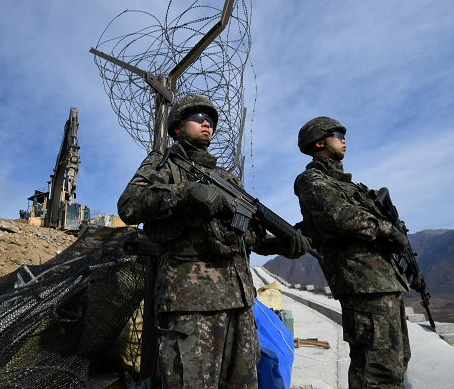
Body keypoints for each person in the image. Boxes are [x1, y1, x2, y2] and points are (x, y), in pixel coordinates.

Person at [118, 94, 310, 388]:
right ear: (178, 127)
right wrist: (186, 192)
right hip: (191, 303)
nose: (207, 122)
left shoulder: (227, 179)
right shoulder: (165, 163)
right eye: (198, 117)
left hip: (239, 304)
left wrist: (279, 245)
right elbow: (129, 205)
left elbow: (250, 237)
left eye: (211, 119)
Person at [293, 116, 412, 389]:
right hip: (362, 285)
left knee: (396, 362)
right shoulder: (312, 180)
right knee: (376, 371)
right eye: (337, 133)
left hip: (381, 283)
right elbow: (338, 216)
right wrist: (385, 230)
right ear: (320, 141)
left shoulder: (350, 187)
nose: (344, 139)